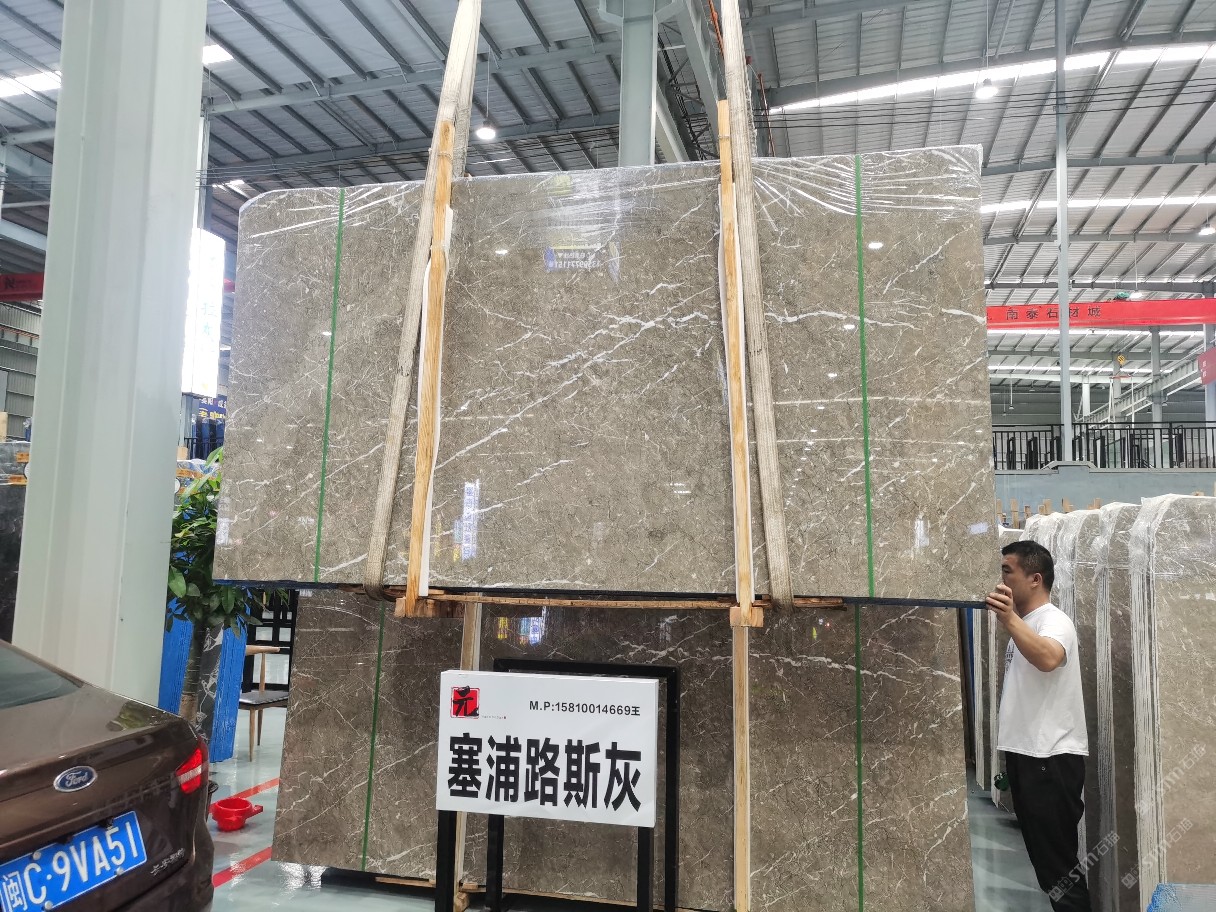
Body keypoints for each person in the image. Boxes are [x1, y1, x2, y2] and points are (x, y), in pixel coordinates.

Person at [988, 539, 1091, 912]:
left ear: (1035, 578)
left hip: (1050, 757)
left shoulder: (1053, 620)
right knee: (1049, 867)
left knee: (1058, 868)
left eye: (1007, 571)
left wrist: (1009, 619)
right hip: (1028, 755)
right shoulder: (1027, 622)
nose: (1001, 579)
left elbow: (1048, 658)